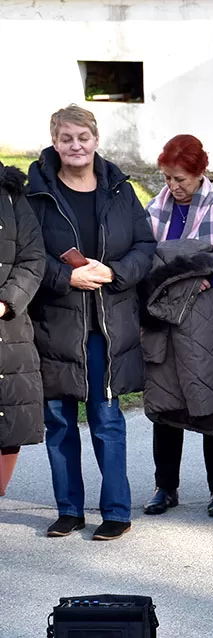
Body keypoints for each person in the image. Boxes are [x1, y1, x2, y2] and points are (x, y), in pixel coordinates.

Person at [27, 105, 156, 540]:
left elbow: (145, 245)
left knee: (106, 417)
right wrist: (67, 276)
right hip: (55, 323)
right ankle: (69, 509)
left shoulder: (120, 188)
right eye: (67, 138)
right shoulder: (34, 194)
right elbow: (25, 258)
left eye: (83, 137)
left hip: (106, 324)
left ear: (96, 140)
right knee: (59, 419)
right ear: (54, 141)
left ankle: (116, 511)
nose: (76, 146)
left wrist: (114, 272)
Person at [141, 135, 213, 518]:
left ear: (200, 171)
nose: (174, 186)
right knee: (166, 399)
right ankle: (165, 487)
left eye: (181, 178)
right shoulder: (155, 208)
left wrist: (208, 278)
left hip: (211, 311)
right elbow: (144, 253)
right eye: (168, 178)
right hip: (167, 317)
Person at [0, 161, 45, 497]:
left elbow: (32, 258)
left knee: (9, 419)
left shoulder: (12, 193)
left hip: (7, 326)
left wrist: (6, 302)